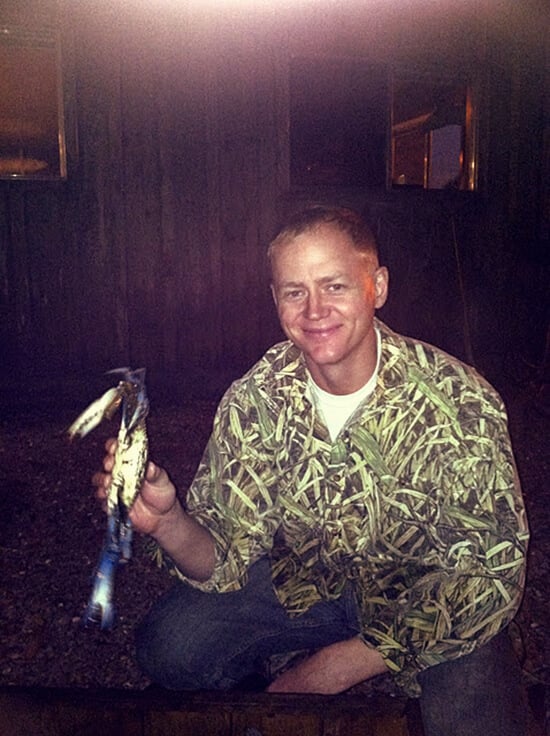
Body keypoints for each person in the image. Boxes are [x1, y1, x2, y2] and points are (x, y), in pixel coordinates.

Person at [94, 206, 529, 735]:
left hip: (423, 599)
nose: (315, 309)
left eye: (335, 285)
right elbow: (225, 555)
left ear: (378, 286)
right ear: (275, 299)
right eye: (294, 290)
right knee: (168, 650)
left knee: (481, 711)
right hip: (305, 585)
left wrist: (335, 667)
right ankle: (258, 692)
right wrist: (168, 521)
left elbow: (490, 572)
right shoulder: (256, 399)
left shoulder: (461, 402)